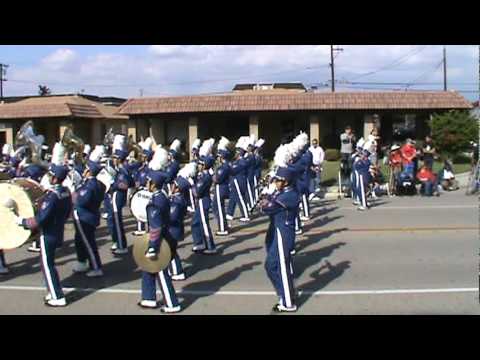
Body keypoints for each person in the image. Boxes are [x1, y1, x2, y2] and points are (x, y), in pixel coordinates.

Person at [14, 164, 72, 307]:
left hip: (48, 234)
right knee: (49, 264)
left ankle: (57, 296)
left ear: (55, 178)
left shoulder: (52, 196)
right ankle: (52, 291)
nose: (48, 177)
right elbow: (67, 213)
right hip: (57, 231)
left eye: (50, 175)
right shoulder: (65, 192)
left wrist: (22, 221)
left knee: (47, 266)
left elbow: (40, 220)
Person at [140, 154, 181, 313]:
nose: (146, 183)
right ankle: (148, 298)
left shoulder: (154, 202)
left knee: (160, 270)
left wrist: (152, 247)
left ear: (153, 183)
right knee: (147, 267)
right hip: (167, 236)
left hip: (160, 240)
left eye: (148, 181)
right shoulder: (163, 195)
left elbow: (155, 227)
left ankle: (172, 304)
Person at [260, 161, 299, 313]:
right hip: (276, 231)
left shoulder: (290, 195)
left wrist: (266, 196)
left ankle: (288, 302)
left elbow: (267, 208)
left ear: (286, 181)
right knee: (275, 266)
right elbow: (267, 202)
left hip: (284, 233)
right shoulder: (282, 191)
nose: (275, 182)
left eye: (278, 180)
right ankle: (287, 293)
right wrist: (267, 193)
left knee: (276, 266)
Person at [71, 147, 106, 278]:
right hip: (89, 216)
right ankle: (82, 262)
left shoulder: (90, 186)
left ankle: (96, 267)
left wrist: (74, 193)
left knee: (88, 242)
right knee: (80, 240)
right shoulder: (98, 184)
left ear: (88, 171)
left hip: (85, 217)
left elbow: (81, 201)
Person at [106, 136, 134, 256]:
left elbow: (124, 184)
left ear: (119, 159)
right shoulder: (120, 169)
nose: (114, 160)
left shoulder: (123, 170)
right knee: (112, 219)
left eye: (115, 158)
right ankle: (116, 241)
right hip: (115, 195)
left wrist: (111, 184)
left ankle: (121, 245)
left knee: (117, 220)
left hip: (118, 196)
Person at [191, 139, 217, 254]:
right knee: (195, 223)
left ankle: (211, 246)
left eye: (201, 164)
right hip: (201, 201)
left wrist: (191, 184)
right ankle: (199, 243)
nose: (199, 166)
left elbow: (197, 192)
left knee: (204, 224)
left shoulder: (205, 176)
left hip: (203, 201)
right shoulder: (202, 174)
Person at [226, 137, 250, 223]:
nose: (235, 154)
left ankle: (246, 215)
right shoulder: (237, 161)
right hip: (235, 181)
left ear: (239, 153)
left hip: (239, 181)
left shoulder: (242, 161)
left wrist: (227, 165)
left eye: (237, 152)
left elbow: (233, 170)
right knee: (233, 197)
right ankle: (229, 213)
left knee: (240, 198)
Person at [212, 137, 231, 236]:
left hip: (221, 188)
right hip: (221, 188)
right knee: (218, 207)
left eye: (219, 156)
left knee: (218, 208)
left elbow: (216, 179)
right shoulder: (224, 165)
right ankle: (224, 225)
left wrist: (213, 173)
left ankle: (223, 229)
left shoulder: (223, 167)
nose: (217, 158)